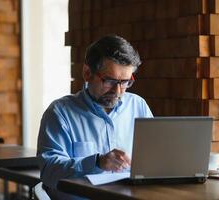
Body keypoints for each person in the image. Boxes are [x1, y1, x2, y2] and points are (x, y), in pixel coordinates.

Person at [37, 35, 153, 199]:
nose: (118, 91)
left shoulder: (138, 106)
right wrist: (96, 163)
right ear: (87, 73)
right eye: (110, 81)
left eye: (125, 82)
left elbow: (153, 159)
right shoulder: (59, 113)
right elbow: (49, 171)